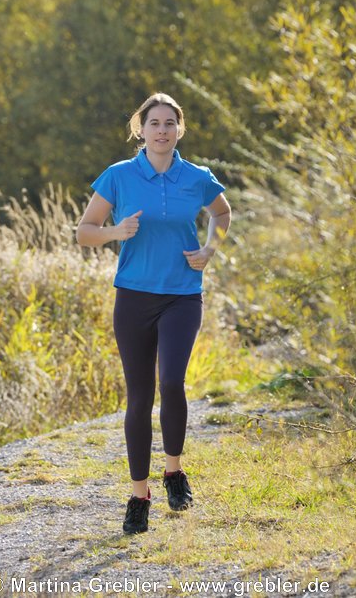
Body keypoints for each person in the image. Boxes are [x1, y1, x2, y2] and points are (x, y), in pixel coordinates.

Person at [76, 92, 231, 534]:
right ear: (140, 129)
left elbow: (222, 212)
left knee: (172, 382)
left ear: (179, 129)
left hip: (183, 295)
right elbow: (84, 232)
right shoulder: (119, 176)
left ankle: (174, 472)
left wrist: (209, 249)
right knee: (139, 396)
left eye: (169, 123)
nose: (161, 130)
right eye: (154, 123)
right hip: (133, 299)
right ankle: (138, 494)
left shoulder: (197, 176)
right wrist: (115, 231)